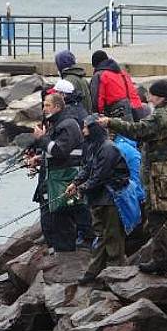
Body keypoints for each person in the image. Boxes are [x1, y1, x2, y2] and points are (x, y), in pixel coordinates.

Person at [98, 79, 167, 274]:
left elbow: (137, 130)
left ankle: (159, 260)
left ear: (159, 97)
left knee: (156, 215)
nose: (147, 98)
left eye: (150, 95)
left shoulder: (161, 114)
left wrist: (110, 122)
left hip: (159, 173)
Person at [67, 114, 131, 284]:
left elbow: (100, 176)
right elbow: (88, 168)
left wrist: (81, 188)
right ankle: (94, 272)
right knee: (101, 236)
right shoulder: (94, 147)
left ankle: (117, 276)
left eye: (86, 127)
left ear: (94, 129)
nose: (83, 131)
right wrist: (76, 182)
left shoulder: (108, 148)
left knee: (113, 237)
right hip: (97, 199)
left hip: (110, 199)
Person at [25, 93, 83, 253]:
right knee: (49, 218)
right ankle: (56, 249)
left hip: (63, 179)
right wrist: (40, 158)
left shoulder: (68, 124)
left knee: (60, 219)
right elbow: (53, 151)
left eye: (47, 105)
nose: (44, 108)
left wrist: (41, 138)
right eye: (44, 105)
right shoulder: (57, 123)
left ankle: (65, 255)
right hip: (52, 178)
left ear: (57, 107)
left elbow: (59, 151)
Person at [50, 79, 93, 248]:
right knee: (76, 201)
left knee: (75, 202)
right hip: (80, 161)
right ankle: (84, 234)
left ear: (62, 95)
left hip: (74, 163)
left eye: (55, 94)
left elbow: (65, 146)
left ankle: (86, 235)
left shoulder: (70, 115)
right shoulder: (79, 109)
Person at [90, 50, 145, 122]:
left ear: (95, 65)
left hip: (121, 112)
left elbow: (97, 100)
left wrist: (98, 115)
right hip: (138, 109)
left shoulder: (99, 75)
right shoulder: (122, 73)